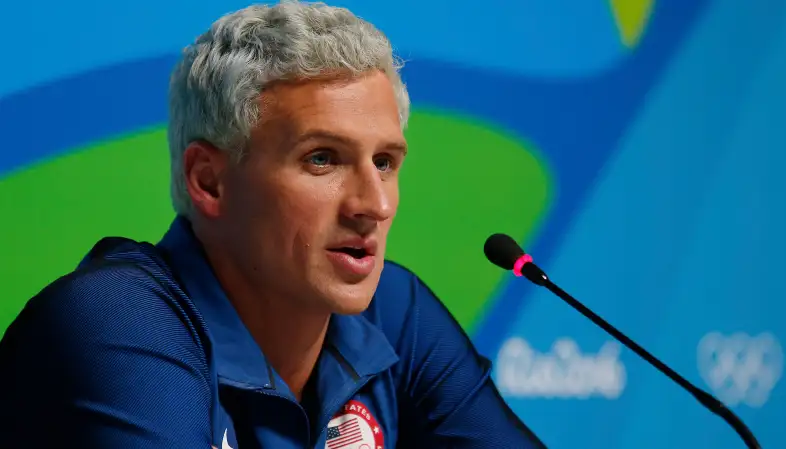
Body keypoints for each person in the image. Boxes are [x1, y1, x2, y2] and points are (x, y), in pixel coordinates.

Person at [0, 2, 547, 448]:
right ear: (209, 181)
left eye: (385, 162)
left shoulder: (393, 312)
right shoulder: (119, 318)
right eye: (322, 159)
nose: (373, 204)